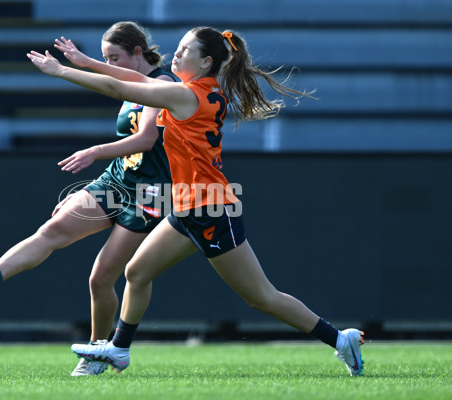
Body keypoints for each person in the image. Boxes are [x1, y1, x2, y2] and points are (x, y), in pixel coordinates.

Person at [28, 26, 365, 377]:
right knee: (136, 272)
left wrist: (63, 71)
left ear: (205, 61)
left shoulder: (188, 97)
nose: (177, 53)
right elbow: (133, 77)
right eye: (180, 46)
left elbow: (121, 87)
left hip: (211, 210)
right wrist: (87, 62)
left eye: (186, 49)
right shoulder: (191, 90)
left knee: (261, 296)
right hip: (188, 206)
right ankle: (120, 349)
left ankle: (341, 340)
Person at [0, 21, 177, 376]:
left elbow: (146, 140)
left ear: (138, 53)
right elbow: (115, 91)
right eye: (105, 58)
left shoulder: (161, 84)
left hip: (150, 193)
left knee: (101, 277)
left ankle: (98, 353)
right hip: (117, 180)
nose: (110, 64)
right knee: (53, 228)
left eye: (115, 57)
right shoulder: (130, 85)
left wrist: (94, 150)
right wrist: (70, 66)